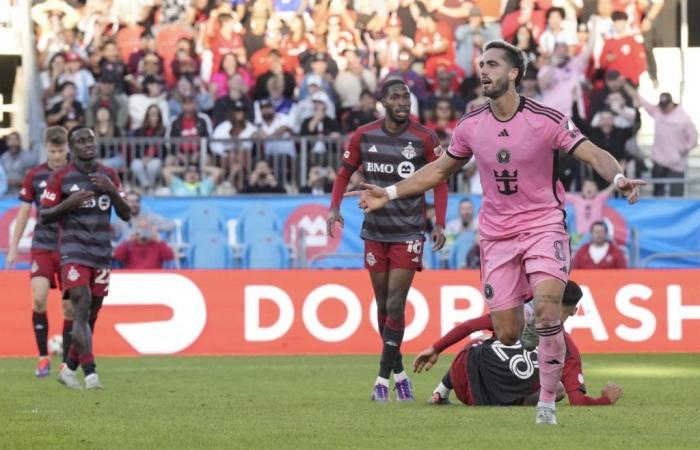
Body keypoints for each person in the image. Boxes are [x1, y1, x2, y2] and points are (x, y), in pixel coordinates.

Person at [348, 40, 643, 423]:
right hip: (497, 234)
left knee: (548, 308)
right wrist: (388, 193)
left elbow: (592, 153)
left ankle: (547, 404)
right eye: (481, 64)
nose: (483, 70)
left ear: (513, 72)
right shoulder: (471, 124)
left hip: (543, 224)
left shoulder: (545, 119)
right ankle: (498, 368)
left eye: (491, 64)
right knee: (506, 332)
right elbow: (438, 171)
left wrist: (617, 176)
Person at [328, 79, 448, 402]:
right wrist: (334, 208)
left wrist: (439, 222)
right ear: (382, 102)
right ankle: (400, 375)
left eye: (406, 97)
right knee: (382, 307)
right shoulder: (365, 135)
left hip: (408, 232)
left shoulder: (424, 137)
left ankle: (381, 380)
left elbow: (439, 180)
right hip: (375, 231)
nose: (402, 102)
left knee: (396, 303)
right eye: (395, 97)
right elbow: (343, 172)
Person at [413, 280, 624, 407]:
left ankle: (440, 392)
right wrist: (606, 400)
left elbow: (469, 326)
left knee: (481, 341)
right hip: (489, 401)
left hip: (465, 384)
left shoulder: (520, 314)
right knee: (557, 389)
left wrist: (436, 348)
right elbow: (577, 402)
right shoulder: (568, 348)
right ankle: (517, 403)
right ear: (574, 310)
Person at [40, 126, 131, 390]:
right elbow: (45, 215)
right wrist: (71, 202)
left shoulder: (109, 175)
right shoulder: (61, 177)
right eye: (81, 140)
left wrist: (111, 190)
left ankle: (68, 369)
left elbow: (126, 214)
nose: (88, 144)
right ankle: (91, 372)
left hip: (102, 252)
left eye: (90, 139)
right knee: (81, 306)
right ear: (72, 147)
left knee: (91, 314)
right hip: (74, 251)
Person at [5, 126, 73, 377]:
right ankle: (43, 357)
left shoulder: (76, 174)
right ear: (46, 148)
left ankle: (66, 363)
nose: (57, 156)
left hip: (70, 248)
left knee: (70, 308)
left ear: (68, 147)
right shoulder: (35, 175)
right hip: (43, 246)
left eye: (61, 150)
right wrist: (13, 248)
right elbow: (24, 213)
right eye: (53, 151)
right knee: (39, 299)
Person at [630, 90, 698, 197]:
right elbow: (644, 102)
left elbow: (693, 138)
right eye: (662, 106)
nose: (664, 109)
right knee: (657, 194)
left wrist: (684, 149)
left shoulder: (684, 118)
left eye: (666, 106)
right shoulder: (657, 111)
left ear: (671, 103)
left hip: (676, 163)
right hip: (659, 161)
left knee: (676, 195)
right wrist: (627, 86)